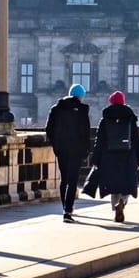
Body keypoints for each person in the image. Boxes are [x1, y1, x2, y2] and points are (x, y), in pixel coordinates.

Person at [85, 91, 139, 222]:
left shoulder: (105, 118)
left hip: (109, 156)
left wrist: (95, 159)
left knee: (113, 184)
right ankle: (122, 201)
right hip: (127, 155)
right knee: (127, 182)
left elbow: (99, 141)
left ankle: (116, 208)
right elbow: (136, 140)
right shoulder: (130, 117)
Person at [45, 85, 92, 223]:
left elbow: (49, 129)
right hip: (76, 150)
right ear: (80, 97)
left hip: (61, 149)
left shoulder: (56, 108)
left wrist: (56, 144)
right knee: (72, 181)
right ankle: (68, 210)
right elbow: (86, 132)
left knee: (64, 179)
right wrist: (85, 150)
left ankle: (64, 207)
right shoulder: (82, 110)